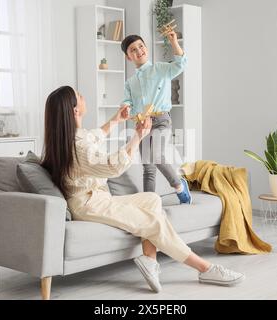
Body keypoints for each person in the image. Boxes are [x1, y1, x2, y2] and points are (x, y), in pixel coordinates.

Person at [40, 86, 245, 293]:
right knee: (153, 221)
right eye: (80, 96)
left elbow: (95, 136)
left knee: (152, 199)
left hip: (97, 199)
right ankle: (205, 268)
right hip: (88, 204)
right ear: (75, 110)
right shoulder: (78, 146)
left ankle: (149, 260)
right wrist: (138, 136)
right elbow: (113, 166)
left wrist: (116, 119)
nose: (84, 97)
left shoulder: (75, 137)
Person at [120, 32, 192, 204]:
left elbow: (181, 64)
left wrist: (174, 42)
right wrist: (126, 108)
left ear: (146, 48)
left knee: (156, 155)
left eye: (141, 46)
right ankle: (149, 204)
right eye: (133, 50)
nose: (138, 51)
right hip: (141, 125)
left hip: (161, 121)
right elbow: (126, 102)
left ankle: (179, 186)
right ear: (128, 57)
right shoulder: (130, 82)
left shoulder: (160, 69)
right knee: (148, 167)